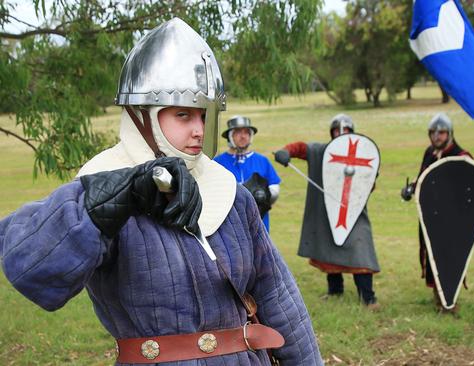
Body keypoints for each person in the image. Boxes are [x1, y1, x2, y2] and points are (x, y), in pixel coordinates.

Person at [0, 18, 322, 365]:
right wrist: (111, 200)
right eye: (183, 115)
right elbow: (30, 269)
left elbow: (278, 297)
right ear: (143, 116)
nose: (199, 129)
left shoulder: (232, 194)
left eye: (202, 115)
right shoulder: (102, 188)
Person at [274, 114, 380, 309]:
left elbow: (368, 182)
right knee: (329, 247)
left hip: (353, 212)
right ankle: (335, 291)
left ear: (352, 132)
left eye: (345, 131)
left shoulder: (362, 153)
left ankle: (368, 297)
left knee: (360, 250)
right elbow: (301, 148)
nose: (341, 134)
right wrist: (285, 151)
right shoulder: (323, 151)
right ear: (331, 133)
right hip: (328, 211)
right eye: (337, 131)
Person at [400, 112, 471, 311]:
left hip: (451, 221)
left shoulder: (461, 157)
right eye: (433, 132)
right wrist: (412, 188)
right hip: (430, 217)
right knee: (432, 258)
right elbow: (424, 177)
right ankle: (438, 296)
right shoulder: (429, 153)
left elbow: (470, 189)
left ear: (450, 133)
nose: (437, 136)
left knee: (449, 259)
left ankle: (450, 301)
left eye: (442, 132)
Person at [214, 116, 281, 232]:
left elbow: (274, 190)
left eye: (246, 132)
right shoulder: (218, 163)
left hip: (259, 225)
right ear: (230, 136)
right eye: (238, 132)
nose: (243, 136)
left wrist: (262, 197)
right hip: (228, 227)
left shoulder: (262, 161)